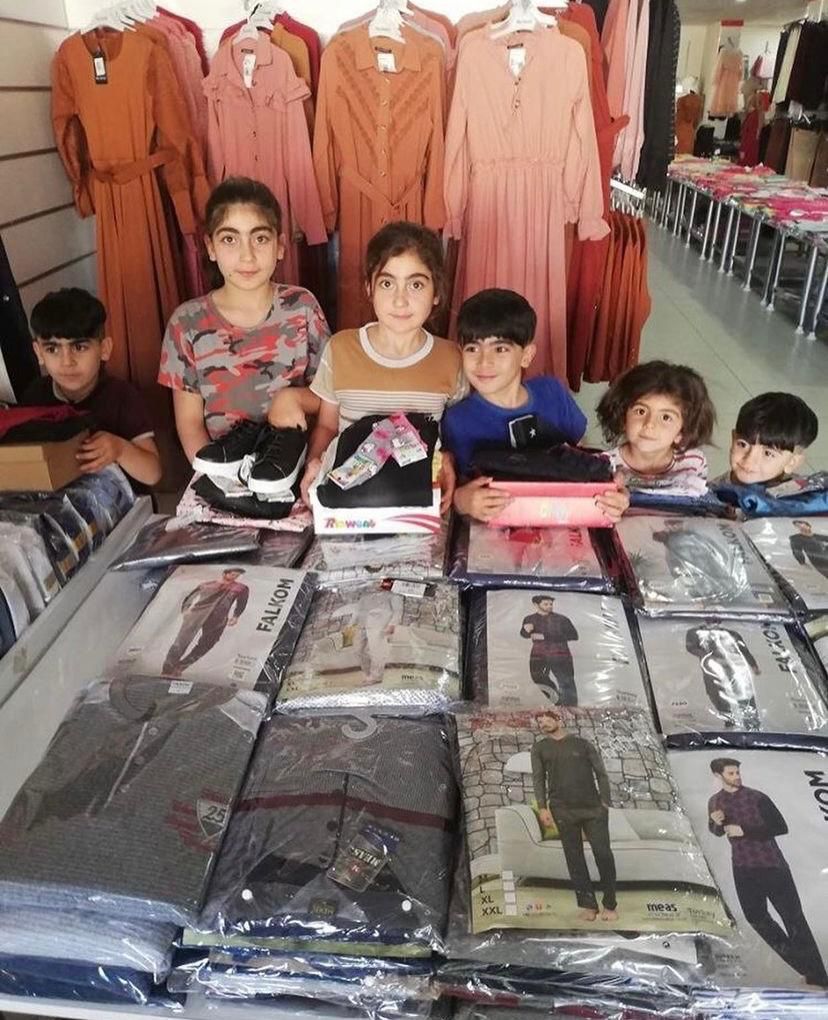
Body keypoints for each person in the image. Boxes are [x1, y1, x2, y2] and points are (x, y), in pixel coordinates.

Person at [263, 221, 464, 509]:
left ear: (437, 293)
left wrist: (449, 460)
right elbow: (327, 426)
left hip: (416, 498)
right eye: (387, 283)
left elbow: (456, 436)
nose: (400, 300)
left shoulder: (451, 358)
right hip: (350, 496)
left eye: (416, 284)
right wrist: (315, 464)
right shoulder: (342, 348)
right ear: (369, 288)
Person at [158, 176, 329, 481]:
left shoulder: (302, 307)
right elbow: (189, 424)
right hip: (221, 475)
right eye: (230, 239)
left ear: (280, 246)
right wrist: (222, 482)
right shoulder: (186, 323)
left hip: (296, 470)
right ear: (210, 247)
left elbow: (329, 399)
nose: (247, 255)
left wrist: (294, 399)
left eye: (260, 238)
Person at [440, 289, 628, 524]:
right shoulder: (458, 419)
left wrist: (611, 490)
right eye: (472, 348)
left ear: (527, 355)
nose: (484, 361)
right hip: (495, 529)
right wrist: (462, 501)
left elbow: (582, 456)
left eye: (500, 349)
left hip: (562, 519)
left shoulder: (552, 393)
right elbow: (455, 489)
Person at [23, 288, 162, 488]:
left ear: (104, 349)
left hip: (125, 503)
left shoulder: (122, 396)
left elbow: (153, 473)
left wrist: (119, 449)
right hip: (62, 501)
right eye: (52, 349)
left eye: (79, 347)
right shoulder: (35, 396)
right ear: (38, 353)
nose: (67, 362)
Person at [707, 758, 828, 987]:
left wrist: (744, 830)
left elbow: (780, 827)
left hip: (772, 865)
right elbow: (716, 832)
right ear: (718, 775)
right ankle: (806, 967)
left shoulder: (757, 798)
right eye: (731, 773)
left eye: (737, 772)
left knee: (793, 919)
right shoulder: (715, 802)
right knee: (755, 918)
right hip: (742, 868)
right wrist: (715, 822)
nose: (737, 777)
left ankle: (819, 976)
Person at [531, 709, 618, 922]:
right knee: (574, 858)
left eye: (546, 719)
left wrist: (605, 803)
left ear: (558, 720)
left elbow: (601, 774)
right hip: (562, 809)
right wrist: (542, 807)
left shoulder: (582, 744)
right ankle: (589, 906)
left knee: (603, 854)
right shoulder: (539, 748)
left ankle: (610, 905)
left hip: (593, 809)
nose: (543, 724)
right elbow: (538, 778)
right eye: (540, 722)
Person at [596, 360, 716, 496]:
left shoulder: (694, 463)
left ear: (682, 431)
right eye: (641, 411)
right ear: (623, 418)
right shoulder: (602, 465)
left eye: (666, 417)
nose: (649, 424)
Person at [714, 392, 818, 487]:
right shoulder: (717, 486)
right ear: (733, 439)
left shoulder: (798, 497)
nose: (749, 461)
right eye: (742, 444)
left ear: (792, 463)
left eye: (768, 453)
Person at [162, 568, 250, 677]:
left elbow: (242, 602)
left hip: (218, 619)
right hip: (196, 616)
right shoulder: (207, 585)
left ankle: (180, 667)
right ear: (225, 574)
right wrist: (185, 609)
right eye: (233, 574)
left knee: (207, 643)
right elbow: (191, 596)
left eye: (237, 575)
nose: (235, 577)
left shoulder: (240, 588)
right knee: (180, 642)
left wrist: (236, 616)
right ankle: (167, 670)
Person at [685, 625, 761, 730]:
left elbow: (744, 651)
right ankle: (729, 720)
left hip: (734, 667)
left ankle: (751, 723)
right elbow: (691, 647)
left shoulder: (732, 634)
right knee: (716, 694)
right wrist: (707, 655)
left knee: (743, 693)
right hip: (712, 668)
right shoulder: (694, 633)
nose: (713, 621)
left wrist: (753, 665)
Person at [520, 594, 579, 705]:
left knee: (566, 680)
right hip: (538, 655)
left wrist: (545, 636)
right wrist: (525, 631)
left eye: (551, 604)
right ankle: (558, 701)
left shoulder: (562, 619)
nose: (549, 606)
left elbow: (574, 635)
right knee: (537, 677)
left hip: (560, 654)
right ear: (536, 605)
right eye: (546, 604)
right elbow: (523, 634)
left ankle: (571, 707)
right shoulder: (529, 619)